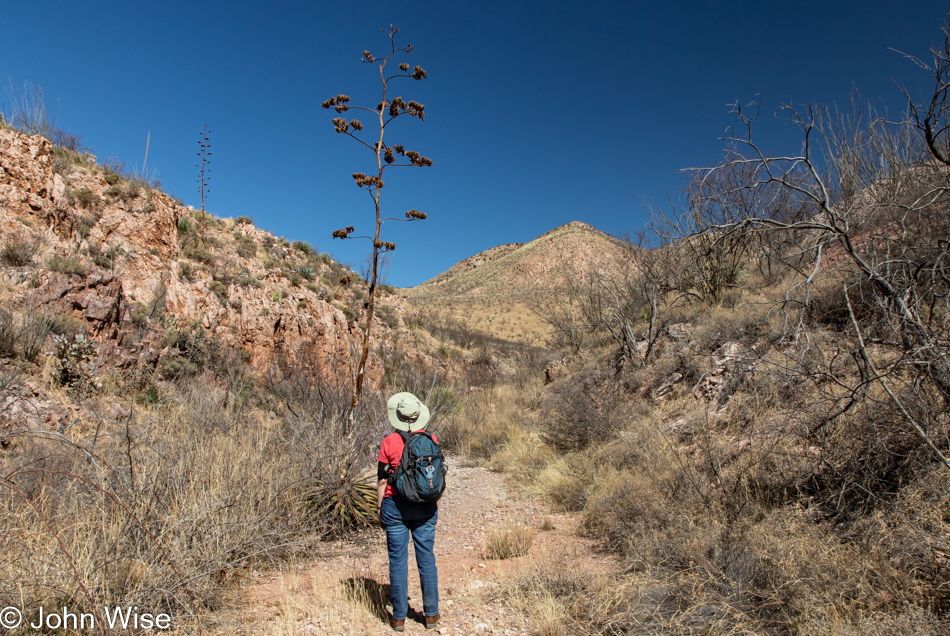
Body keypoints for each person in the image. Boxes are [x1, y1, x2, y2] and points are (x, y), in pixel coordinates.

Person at [377, 392, 441, 631]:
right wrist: (434, 507)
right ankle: (431, 615)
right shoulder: (431, 439)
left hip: (395, 507)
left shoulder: (388, 442)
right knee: (426, 558)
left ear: (399, 416)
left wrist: (379, 509)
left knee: (397, 561)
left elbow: (382, 481)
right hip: (425, 507)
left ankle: (399, 617)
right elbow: (435, 479)